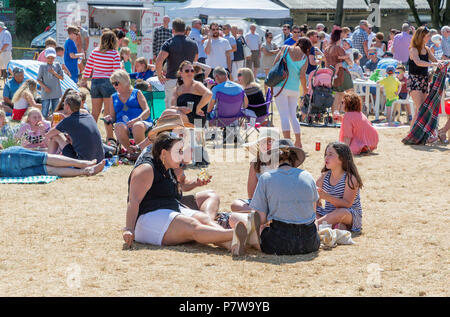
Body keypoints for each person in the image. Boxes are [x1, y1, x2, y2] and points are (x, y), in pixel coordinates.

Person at [123, 132, 256, 256]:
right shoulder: (146, 169)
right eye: (178, 152)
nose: (182, 156)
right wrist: (129, 229)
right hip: (147, 219)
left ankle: (232, 245)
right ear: (164, 153)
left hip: (170, 208)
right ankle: (245, 235)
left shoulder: (169, 167)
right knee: (193, 225)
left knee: (204, 219)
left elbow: (180, 189)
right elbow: (133, 200)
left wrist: (191, 181)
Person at [247, 138, 320, 255]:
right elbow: (312, 213)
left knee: (240, 220)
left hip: (279, 243)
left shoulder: (266, 178)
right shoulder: (308, 176)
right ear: (295, 158)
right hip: (310, 243)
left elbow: (261, 219)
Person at [80, 31, 121, 143]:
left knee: (95, 113)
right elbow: (116, 71)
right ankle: (110, 138)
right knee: (108, 113)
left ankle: (89, 135)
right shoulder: (114, 54)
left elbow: (88, 68)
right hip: (108, 83)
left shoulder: (94, 52)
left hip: (95, 83)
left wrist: (84, 79)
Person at [316, 142, 364, 233]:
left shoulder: (350, 178)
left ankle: (315, 226)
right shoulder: (324, 176)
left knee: (341, 212)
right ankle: (332, 226)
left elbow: (347, 204)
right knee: (309, 208)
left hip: (349, 215)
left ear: (341, 159)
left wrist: (326, 196)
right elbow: (313, 197)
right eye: (325, 154)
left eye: (330, 154)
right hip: (328, 213)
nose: (326, 157)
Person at [103, 70, 151, 158]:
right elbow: (113, 117)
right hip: (124, 125)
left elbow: (147, 110)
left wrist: (137, 119)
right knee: (118, 126)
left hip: (141, 122)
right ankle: (131, 152)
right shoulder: (113, 97)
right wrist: (109, 118)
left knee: (137, 126)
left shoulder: (137, 93)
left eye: (116, 83)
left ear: (124, 81)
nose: (114, 86)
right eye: (112, 83)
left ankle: (140, 152)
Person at [45, 93, 104, 163]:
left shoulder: (68, 121)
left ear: (67, 106)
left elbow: (48, 135)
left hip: (82, 162)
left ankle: (48, 161)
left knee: (56, 136)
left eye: (64, 104)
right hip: (99, 159)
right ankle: (52, 158)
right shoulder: (88, 116)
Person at [272, 38, 310, 148]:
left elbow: (275, 65)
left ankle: (288, 143)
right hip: (294, 88)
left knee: (284, 116)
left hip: (281, 86)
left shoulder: (285, 49)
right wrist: (305, 89)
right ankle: (298, 142)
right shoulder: (305, 57)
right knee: (293, 116)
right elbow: (302, 76)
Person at [231, 128, 279, 212]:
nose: (267, 145)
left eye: (270, 142)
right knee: (236, 205)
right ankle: (263, 214)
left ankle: (262, 215)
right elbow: (251, 195)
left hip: (280, 201)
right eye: (263, 141)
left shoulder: (282, 162)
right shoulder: (255, 164)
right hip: (261, 203)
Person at [156, 18, 198, 109]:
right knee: (188, 108)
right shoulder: (193, 43)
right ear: (185, 30)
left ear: (173, 30)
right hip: (188, 80)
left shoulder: (169, 43)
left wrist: (159, 76)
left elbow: (159, 61)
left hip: (172, 79)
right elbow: (195, 60)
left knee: (171, 109)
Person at [0, 145, 106, 178]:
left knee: (48, 170)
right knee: (46, 159)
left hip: (8, 172)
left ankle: (86, 170)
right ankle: (83, 165)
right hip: (8, 157)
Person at [407, 26, 439, 126]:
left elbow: (436, 61)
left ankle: (413, 133)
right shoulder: (413, 49)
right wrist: (432, 65)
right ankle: (413, 134)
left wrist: (445, 62)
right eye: (427, 36)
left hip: (424, 81)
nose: (429, 38)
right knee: (421, 108)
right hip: (415, 81)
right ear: (421, 36)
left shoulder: (427, 49)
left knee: (421, 109)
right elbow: (418, 62)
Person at [171, 61, 212, 128]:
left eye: (192, 71)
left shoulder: (196, 85)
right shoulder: (177, 89)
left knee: (171, 114)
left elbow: (209, 94)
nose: (190, 73)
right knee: (169, 112)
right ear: (181, 73)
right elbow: (172, 106)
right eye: (187, 71)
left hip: (197, 119)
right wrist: (181, 108)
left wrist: (198, 107)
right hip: (183, 116)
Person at [324, 29, 354, 114]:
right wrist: (350, 63)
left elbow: (326, 63)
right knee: (351, 93)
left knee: (338, 94)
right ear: (339, 36)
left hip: (333, 74)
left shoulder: (327, 49)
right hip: (342, 73)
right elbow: (349, 61)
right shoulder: (338, 48)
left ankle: (335, 115)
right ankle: (352, 114)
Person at [37, 47, 64, 119]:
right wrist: (45, 87)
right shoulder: (42, 66)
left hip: (56, 92)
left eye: (52, 58)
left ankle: (55, 125)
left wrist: (54, 73)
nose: (50, 59)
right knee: (45, 110)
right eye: (48, 58)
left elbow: (62, 77)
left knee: (55, 111)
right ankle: (43, 123)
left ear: (55, 57)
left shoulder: (57, 65)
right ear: (46, 57)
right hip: (46, 92)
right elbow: (38, 79)